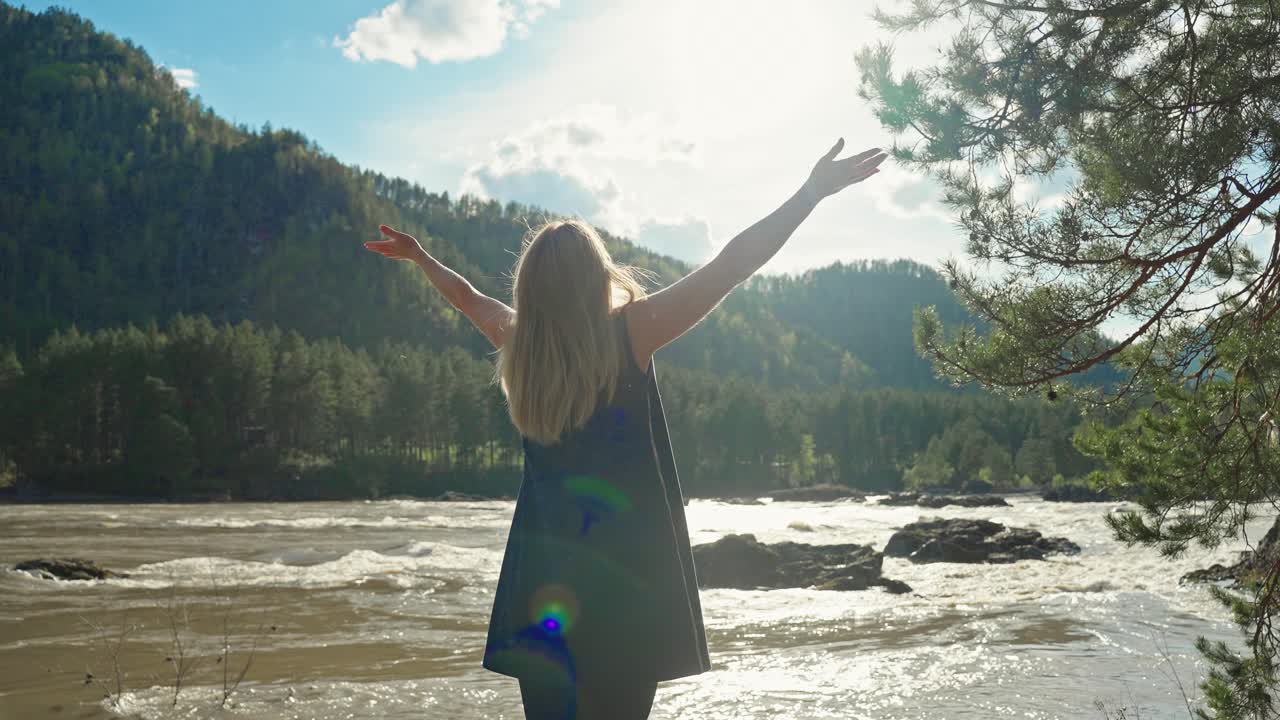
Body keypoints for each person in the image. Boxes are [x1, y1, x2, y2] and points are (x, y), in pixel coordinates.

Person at [364, 138, 886, 719]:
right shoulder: (632, 332)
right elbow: (733, 265)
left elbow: (469, 298)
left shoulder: (518, 343)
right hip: (625, 580)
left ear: (531, 286)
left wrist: (420, 258)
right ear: (596, 276)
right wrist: (810, 193)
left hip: (543, 579)